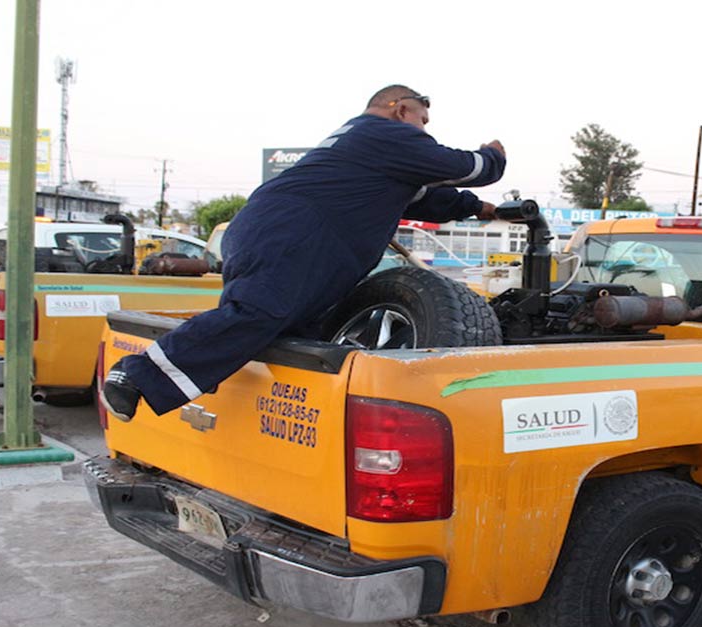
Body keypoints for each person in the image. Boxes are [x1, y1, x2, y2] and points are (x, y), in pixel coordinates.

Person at [102, 84, 506, 421]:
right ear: (399, 109)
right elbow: (465, 166)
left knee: (294, 335)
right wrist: (494, 156)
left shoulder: (371, 156)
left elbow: (427, 200)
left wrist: (482, 209)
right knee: (258, 313)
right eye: (422, 119)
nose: (425, 129)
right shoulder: (383, 135)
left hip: (278, 232)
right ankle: (134, 376)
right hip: (290, 235)